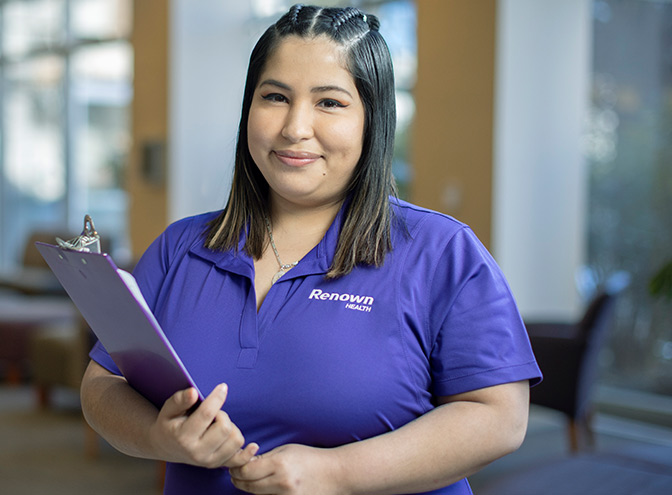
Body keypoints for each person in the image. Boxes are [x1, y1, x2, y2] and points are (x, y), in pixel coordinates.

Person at [80, 4, 542, 494]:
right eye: (275, 96)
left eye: (330, 103)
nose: (295, 127)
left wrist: (336, 474)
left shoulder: (440, 252)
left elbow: (499, 417)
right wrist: (160, 437)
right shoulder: (181, 249)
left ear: (372, 120)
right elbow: (101, 385)